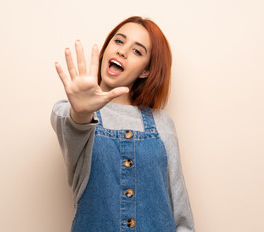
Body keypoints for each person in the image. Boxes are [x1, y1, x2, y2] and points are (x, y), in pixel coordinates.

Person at [51, 16, 195, 232]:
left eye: (137, 51)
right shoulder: (69, 112)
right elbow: (73, 125)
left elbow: (181, 214)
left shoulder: (161, 123)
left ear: (146, 71)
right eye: (118, 41)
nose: (122, 51)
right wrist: (81, 112)